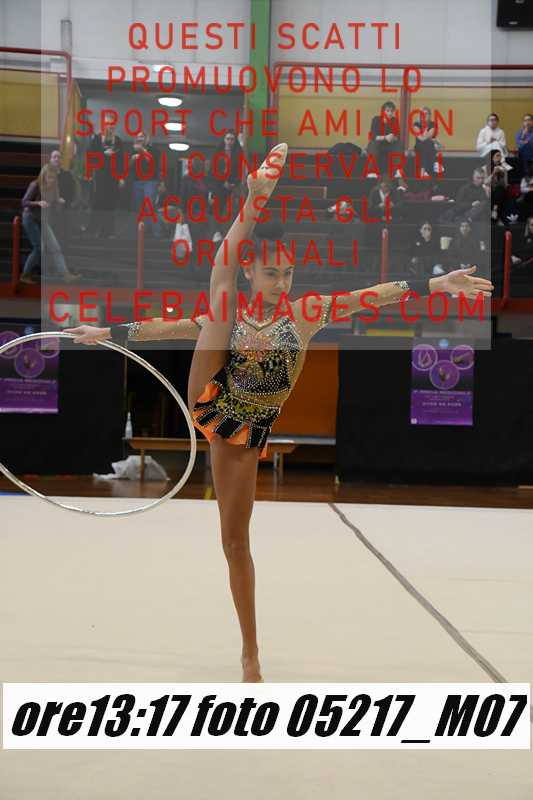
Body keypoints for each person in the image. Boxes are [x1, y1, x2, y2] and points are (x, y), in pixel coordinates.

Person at [64, 143, 494, 682]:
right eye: (272, 274)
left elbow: (371, 295)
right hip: (212, 397)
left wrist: (436, 284)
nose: (283, 284)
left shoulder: (305, 313)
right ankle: (254, 199)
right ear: (252, 272)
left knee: (235, 542)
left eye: (288, 274)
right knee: (216, 307)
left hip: (247, 428)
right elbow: (164, 327)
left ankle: (251, 652)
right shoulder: (230, 309)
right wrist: (105, 332)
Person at [19, 165, 81, 284]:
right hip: (30, 218)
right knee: (39, 248)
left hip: (42, 219)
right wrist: (38, 203)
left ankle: (65, 275)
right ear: (43, 176)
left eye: (53, 178)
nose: (51, 180)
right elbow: (24, 202)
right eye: (49, 177)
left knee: (56, 247)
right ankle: (25, 275)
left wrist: (59, 201)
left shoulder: (54, 187)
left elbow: (55, 202)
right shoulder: (35, 185)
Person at [89, 123, 125, 237]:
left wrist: (121, 177)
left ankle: (109, 230)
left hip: (113, 177)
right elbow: (90, 155)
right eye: (108, 125)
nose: (110, 127)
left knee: (111, 203)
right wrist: (103, 154)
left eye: (112, 125)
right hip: (100, 176)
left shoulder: (118, 141)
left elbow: (121, 160)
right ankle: (96, 230)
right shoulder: (97, 139)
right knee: (99, 202)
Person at [209, 129, 245, 242]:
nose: (229, 141)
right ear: (224, 140)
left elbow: (239, 171)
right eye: (228, 139)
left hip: (232, 185)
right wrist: (221, 182)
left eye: (232, 139)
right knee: (217, 209)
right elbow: (213, 170)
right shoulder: (218, 153)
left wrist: (233, 183)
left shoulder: (238, 154)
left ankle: (227, 233)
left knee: (230, 211)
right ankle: (217, 232)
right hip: (218, 185)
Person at [367, 101, 404, 178]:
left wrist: (392, 137)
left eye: (391, 111)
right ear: (383, 111)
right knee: (373, 144)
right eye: (387, 111)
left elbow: (398, 136)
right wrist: (385, 137)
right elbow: (373, 136)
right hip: (378, 144)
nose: (389, 113)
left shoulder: (395, 120)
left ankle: (397, 170)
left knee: (399, 144)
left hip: (389, 144)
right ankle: (371, 171)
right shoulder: (376, 119)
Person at [412, 106, 443, 177]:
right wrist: (428, 135)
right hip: (419, 147)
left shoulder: (433, 124)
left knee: (427, 145)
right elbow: (421, 138)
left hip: (429, 147)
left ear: (430, 115)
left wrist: (426, 134)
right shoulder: (416, 124)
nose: (424, 115)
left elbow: (429, 135)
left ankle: (423, 172)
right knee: (426, 144)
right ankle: (432, 165)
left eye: (426, 114)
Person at [515, 113, 533, 179]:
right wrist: (523, 136)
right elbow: (519, 146)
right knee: (524, 148)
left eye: (529, 120)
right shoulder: (519, 133)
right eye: (525, 120)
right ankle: (526, 176)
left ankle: (527, 177)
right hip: (523, 157)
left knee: (527, 146)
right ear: (523, 123)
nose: (527, 122)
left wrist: (525, 142)